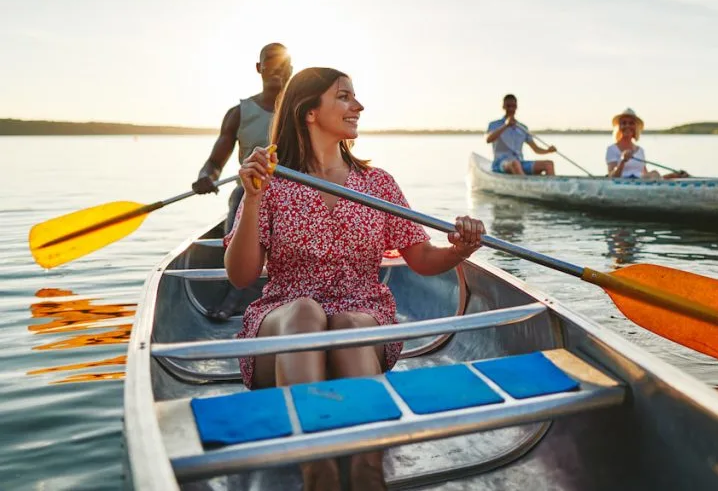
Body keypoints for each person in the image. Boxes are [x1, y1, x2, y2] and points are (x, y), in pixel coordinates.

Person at [225, 67, 486, 491]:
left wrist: (460, 248)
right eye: (344, 97)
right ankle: (318, 472)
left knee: (348, 323)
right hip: (284, 318)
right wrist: (252, 198)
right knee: (306, 313)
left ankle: (368, 472)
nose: (358, 106)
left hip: (362, 316)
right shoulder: (273, 182)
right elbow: (240, 276)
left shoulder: (377, 184)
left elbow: (420, 258)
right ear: (309, 112)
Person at [191, 42, 292, 320]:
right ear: (259, 68)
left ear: (292, 69)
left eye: (284, 63)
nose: (277, 68)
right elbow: (214, 165)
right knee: (239, 198)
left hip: (293, 195)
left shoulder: (302, 113)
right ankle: (235, 293)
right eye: (270, 62)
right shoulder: (239, 113)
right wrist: (205, 178)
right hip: (252, 192)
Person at [485, 93, 557, 175]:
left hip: (519, 162)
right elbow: (488, 139)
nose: (511, 109)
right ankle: (526, 186)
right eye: (508, 106)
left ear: (516, 107)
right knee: (515, 164)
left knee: (549, 164)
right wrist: (506, 125)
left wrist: (548, 151)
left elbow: (536, 149)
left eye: (513, 106)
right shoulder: (494, 124)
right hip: (501, 164)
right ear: (503, 107)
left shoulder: (522, 128)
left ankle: (550, 186)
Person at [606, 108, 689, 179]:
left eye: (631, 123)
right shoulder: (612, 149)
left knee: (654, 174)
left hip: (640, 183)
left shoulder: (640, 150)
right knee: (654, 174)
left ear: (635, 127)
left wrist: (673, 176)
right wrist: (622, 161)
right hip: (622, 184)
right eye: (624, 123)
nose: (627, 126)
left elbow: (646, 176)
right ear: (619, 127)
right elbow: (612, 177)